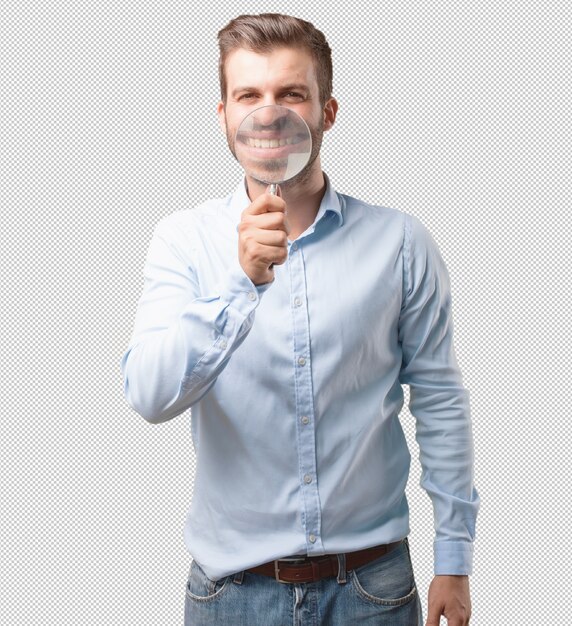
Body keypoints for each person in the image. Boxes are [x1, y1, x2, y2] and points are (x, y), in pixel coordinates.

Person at [121, 13, 480, 626]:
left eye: (291, 93)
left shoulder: (399, 242)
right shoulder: (183, 240)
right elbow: (149, 395)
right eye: (249, 95)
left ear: (327, 111)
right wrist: (241, 284)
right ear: (225, 115)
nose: (269, 112)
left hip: (373, 587)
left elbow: (439, 398)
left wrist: (454, 556)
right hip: (232, 594)